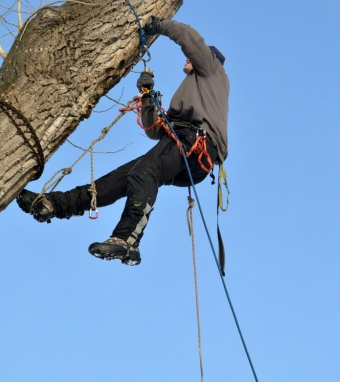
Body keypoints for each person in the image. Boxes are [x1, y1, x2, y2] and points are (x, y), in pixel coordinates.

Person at [16, 16, 229, 266]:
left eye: (194, 56)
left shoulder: (212, 69)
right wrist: (147, 97)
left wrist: (158, 25)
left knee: (143, 173)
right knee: (121, 178)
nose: (188, 58)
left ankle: (127, 239)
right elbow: (154, 130)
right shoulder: (194, 95)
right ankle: (55, 204)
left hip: (195, 144)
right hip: (186, 147)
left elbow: (188, 37)